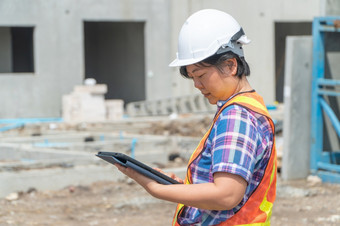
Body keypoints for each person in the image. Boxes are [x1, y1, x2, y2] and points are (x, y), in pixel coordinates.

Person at [115, 9, 277, 225]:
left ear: (230, 65)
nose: (197, 85)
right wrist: (185, 189)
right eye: (192, 77)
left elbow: (226, 195)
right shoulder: (248, 107)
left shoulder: (236, 116)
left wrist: (156, 189)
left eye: (200, 75)